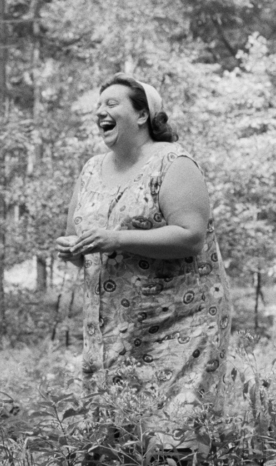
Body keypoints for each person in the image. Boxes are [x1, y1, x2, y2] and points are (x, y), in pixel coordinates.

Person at [55, 73, 231, 419]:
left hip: (180, 324)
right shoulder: (90, 170)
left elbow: (191, 236)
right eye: (98, 105)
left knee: (173, 430)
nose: (100, 111)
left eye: (111, 103)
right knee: (117, 429)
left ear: (142, 115)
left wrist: (117, 239)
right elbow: (80, 244)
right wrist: (72, 249)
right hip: (113, 329)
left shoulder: (173, 162)